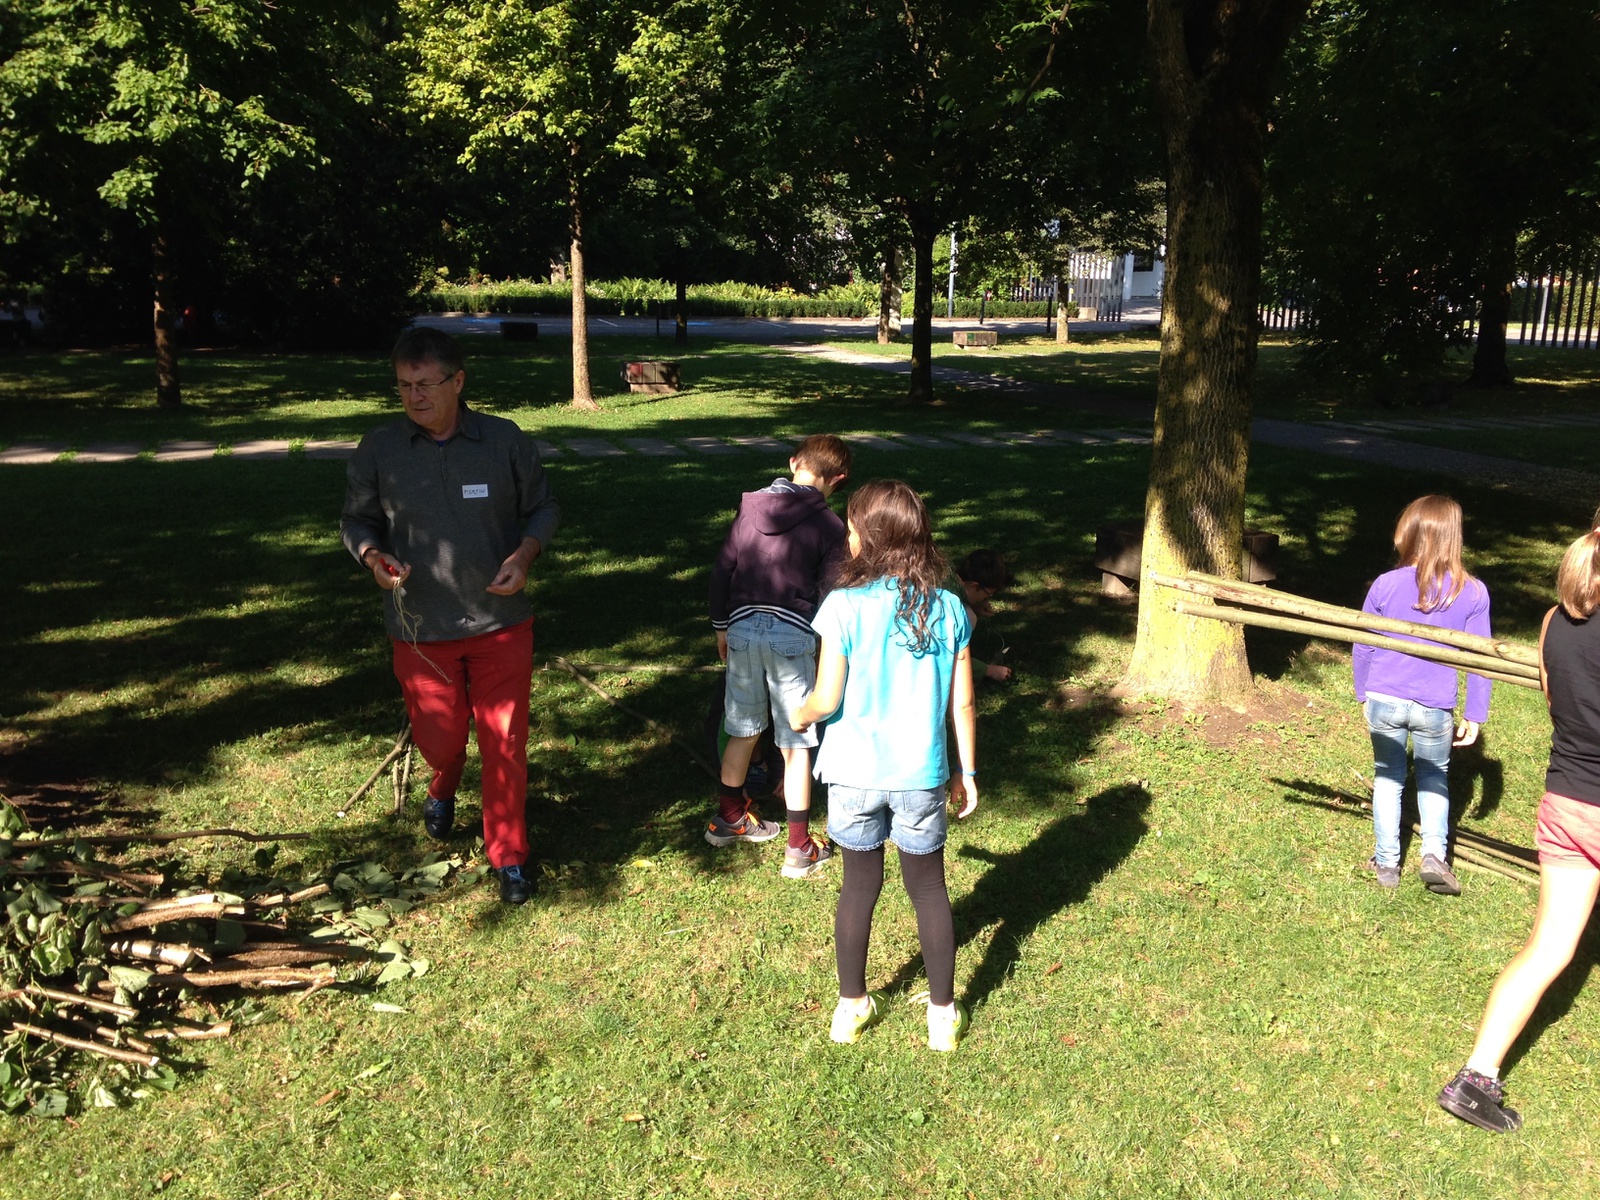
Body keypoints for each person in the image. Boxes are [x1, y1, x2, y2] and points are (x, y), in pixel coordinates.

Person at [340, 327, 560, 906]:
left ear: (457, 382)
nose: (414, 397)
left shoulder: (503, 439)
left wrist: (524, 555)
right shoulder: (380, 447)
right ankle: (443, 782)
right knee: (441, 740)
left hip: (501, 622)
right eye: (404, 386)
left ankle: (509, 856)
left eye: (425, 384)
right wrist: (372, 557)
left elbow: (543, 507)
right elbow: (356, 521)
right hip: (420, 629)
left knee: (504, 741)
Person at [790, 479, 978, 1051]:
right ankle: (942, 1016)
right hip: (921, 775)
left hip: (853, 775)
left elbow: (826, 698)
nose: (846, 535)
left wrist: (799, 713)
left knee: (858, 886)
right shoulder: (951, 608)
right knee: (929, 889)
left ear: (867, 539)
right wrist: (967, 772)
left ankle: (851, 1006)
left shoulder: (842, 606)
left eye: (851, 526)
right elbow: (963, 704)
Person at [1438, 522, 1600, 1132]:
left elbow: (1558, 701)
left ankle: (1474, 1078)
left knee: (1547, 949)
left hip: (1566, 803)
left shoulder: (1554, 621)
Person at [706, 434, 852, 878]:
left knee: (742, 729)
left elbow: (723, 568)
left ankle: (729, 818)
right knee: (796, 742)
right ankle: (799, 847)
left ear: (793, 462)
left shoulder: (750, 508)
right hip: (792, 636)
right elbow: (832, 591)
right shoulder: (830, 525)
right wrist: (833, 643)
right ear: (838, 479)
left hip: (742, 629)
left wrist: (721, 625)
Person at [1353, 495, 1490, 895]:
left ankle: (1386, 863)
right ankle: (1434, 855)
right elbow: (1481, 658)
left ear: (1408, 533)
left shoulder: (1385, 584)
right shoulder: (1473, 592)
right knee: (1433, 776)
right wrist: (1475, 712)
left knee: (1388, 777)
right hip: (1435, 704)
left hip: (1384, 696)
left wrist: (1363, 692)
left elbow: (1363, 643)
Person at [955, 548, 1013, 682]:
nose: (985, 600)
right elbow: (949, 656)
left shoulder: (950, 579)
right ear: (975, 586)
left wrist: (974, 606)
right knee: (968, 617)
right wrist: (988, 670)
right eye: (987, 595)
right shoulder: (952, 610)